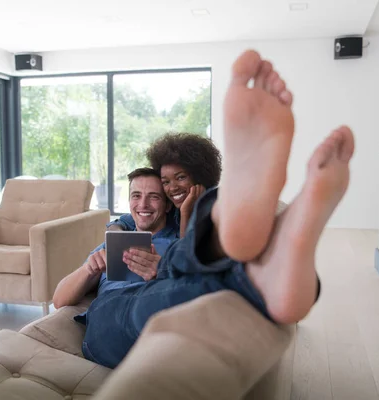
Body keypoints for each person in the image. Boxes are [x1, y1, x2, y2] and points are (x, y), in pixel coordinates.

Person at [70, 50, 355, 369]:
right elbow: (61, 296)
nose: (155, 197)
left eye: (178, 179)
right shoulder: (124, 228)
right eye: (162, 183)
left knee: (183, 271)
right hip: (123, 305)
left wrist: (188, 223)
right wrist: (93, 265)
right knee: (173, 275)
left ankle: (254, 259)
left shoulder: (172, 220)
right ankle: (263, 258)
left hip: (173, 284)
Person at [52, 168, 179, 309]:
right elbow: (59, 301)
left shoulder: (178, 247)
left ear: (167, 205)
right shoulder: (113, 244)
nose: (143, 204)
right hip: (105, 313)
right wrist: (88, 270)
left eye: (154, 196)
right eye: (136, 196)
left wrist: (162, 275)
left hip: (148, 315)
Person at [109, 133, 222, 237]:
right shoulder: (171, 207)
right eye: (166, 182)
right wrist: (116, 237)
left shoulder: (216, 213)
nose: (173, 188)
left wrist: (185, 212)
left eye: (180, 177)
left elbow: (185, 255)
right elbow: (123, 221)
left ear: (199, 176)